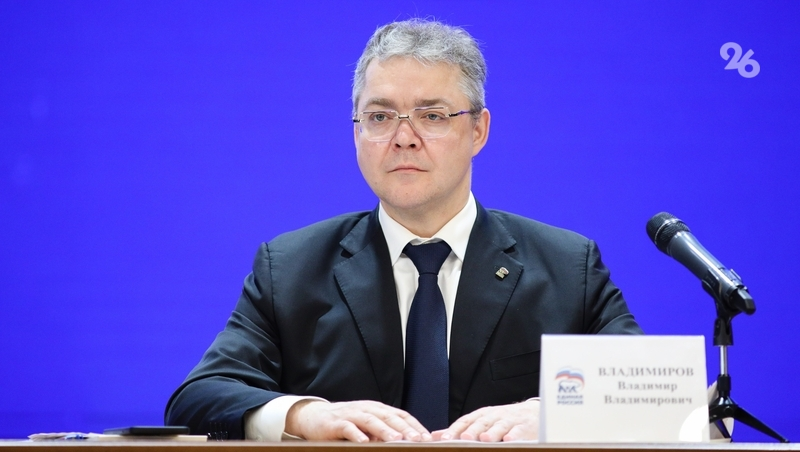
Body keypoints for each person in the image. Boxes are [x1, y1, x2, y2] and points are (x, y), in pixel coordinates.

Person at [165, 18, 642, 443]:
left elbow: (647, 388)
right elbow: (199, 396)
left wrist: (556, 413)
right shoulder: (291, 269)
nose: (404, 137)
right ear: (356, 132)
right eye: (380, 117)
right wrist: (306, 416)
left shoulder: (566, 266)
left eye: (432, 116)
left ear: (478, 131)